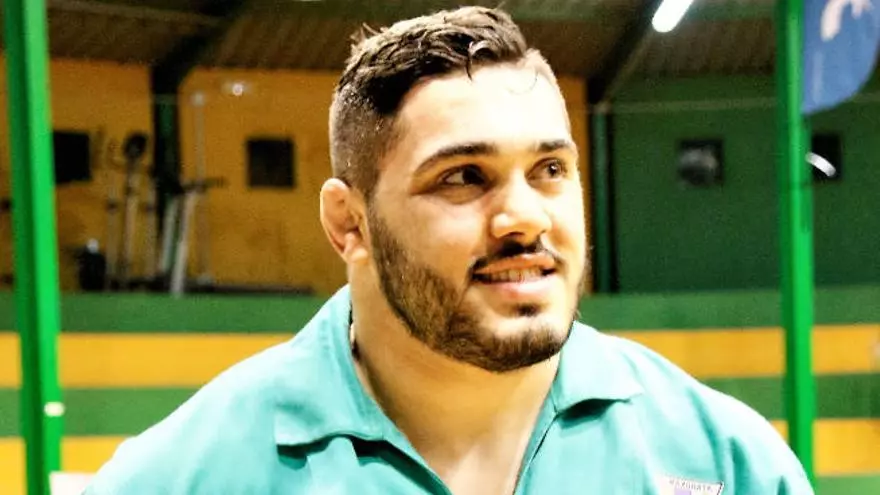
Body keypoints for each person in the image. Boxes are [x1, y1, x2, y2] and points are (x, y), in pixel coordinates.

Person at [85, 6, 813, 494]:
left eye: (550, 169)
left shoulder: (723, 462)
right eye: (464, 177)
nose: (523, 217)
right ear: (349, 224)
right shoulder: (184, 476)